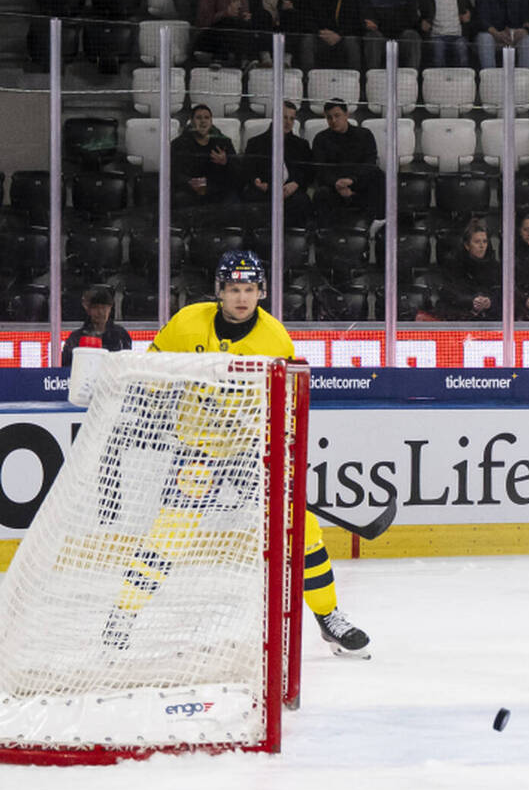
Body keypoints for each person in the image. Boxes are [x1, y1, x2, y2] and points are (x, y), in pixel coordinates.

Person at [147, 251, 370, 656]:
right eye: (234, 289)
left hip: (253, 452)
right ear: (220, 292)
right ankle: (123, 616)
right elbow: (152, 373)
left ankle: (329, 617)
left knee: (302, 531)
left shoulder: (274, 338)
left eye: (249, 289)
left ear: (261, 292)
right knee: (170, 533)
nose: (242, 298)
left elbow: (288, 407)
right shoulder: (186, 323)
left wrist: (274, 447)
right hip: (198, 449)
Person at [61, 286, 132, 365]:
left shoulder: (121, 335)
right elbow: (66, 366)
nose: (100, 312)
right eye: (96, 308)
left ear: (110, 308)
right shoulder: (76, 338)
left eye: (104, 308)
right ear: (88, 310)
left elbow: (127, 362)